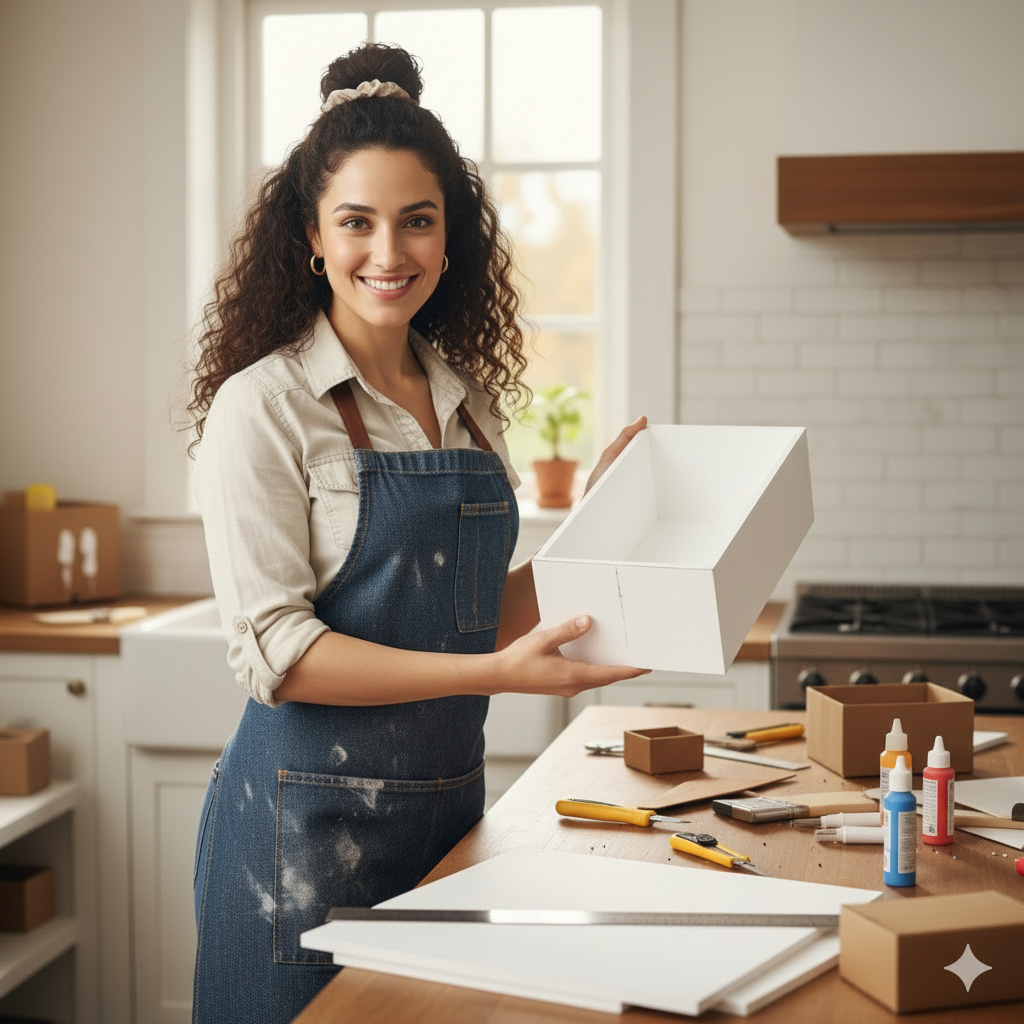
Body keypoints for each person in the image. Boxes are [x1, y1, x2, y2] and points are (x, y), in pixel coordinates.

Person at [187, 41, 648, 1024]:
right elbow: (280, 652)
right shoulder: (260, 407)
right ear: (311, 234)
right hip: (297, 841)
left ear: (449, 240)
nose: (387, 253)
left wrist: (598, 524)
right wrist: (493, 674)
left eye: (416, 222)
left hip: (444, 823)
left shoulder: (465, 400)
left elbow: (472, 610)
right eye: (357, 222)